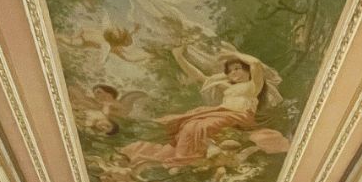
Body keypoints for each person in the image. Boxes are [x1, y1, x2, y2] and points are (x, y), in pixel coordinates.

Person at [122, 46, 290, 168]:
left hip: (240, 115)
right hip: (223, 113)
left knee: (200, 126)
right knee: (189, 124)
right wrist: (179, 57)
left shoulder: (254, 86)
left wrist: (234, 54)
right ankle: (183, 155)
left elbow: (256, 64)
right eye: (230, 71)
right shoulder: (228, 87)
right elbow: (199, 77)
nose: (234, 73)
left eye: (238, 69)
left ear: (247, 71)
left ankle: (185, 158)